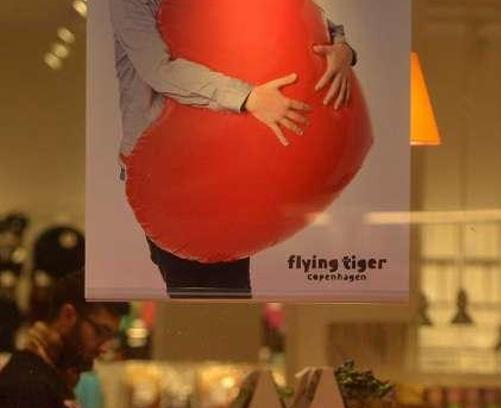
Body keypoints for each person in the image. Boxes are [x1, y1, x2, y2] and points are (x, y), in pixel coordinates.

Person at [109, 0, 357, 298]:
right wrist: (248, 97)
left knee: (229, 290)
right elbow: (159, 70)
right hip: (167, 166)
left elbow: (301, 15)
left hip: (228, 158)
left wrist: (343, 50)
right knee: (200, 292)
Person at [0, 271, 129, 408]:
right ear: (68, 315)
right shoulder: (27, 385)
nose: (104, 348)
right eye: (100, 332)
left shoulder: (52, 376)